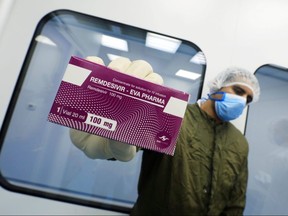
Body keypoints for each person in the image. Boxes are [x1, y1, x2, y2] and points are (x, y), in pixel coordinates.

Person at [70, 56, 260, 215]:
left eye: (248, 99)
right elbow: (132, 142)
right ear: (218, 86)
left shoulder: (239, 142)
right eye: (238, 91)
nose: (242, 100)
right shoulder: (174, 115)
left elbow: (235, 202)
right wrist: (110, 139)